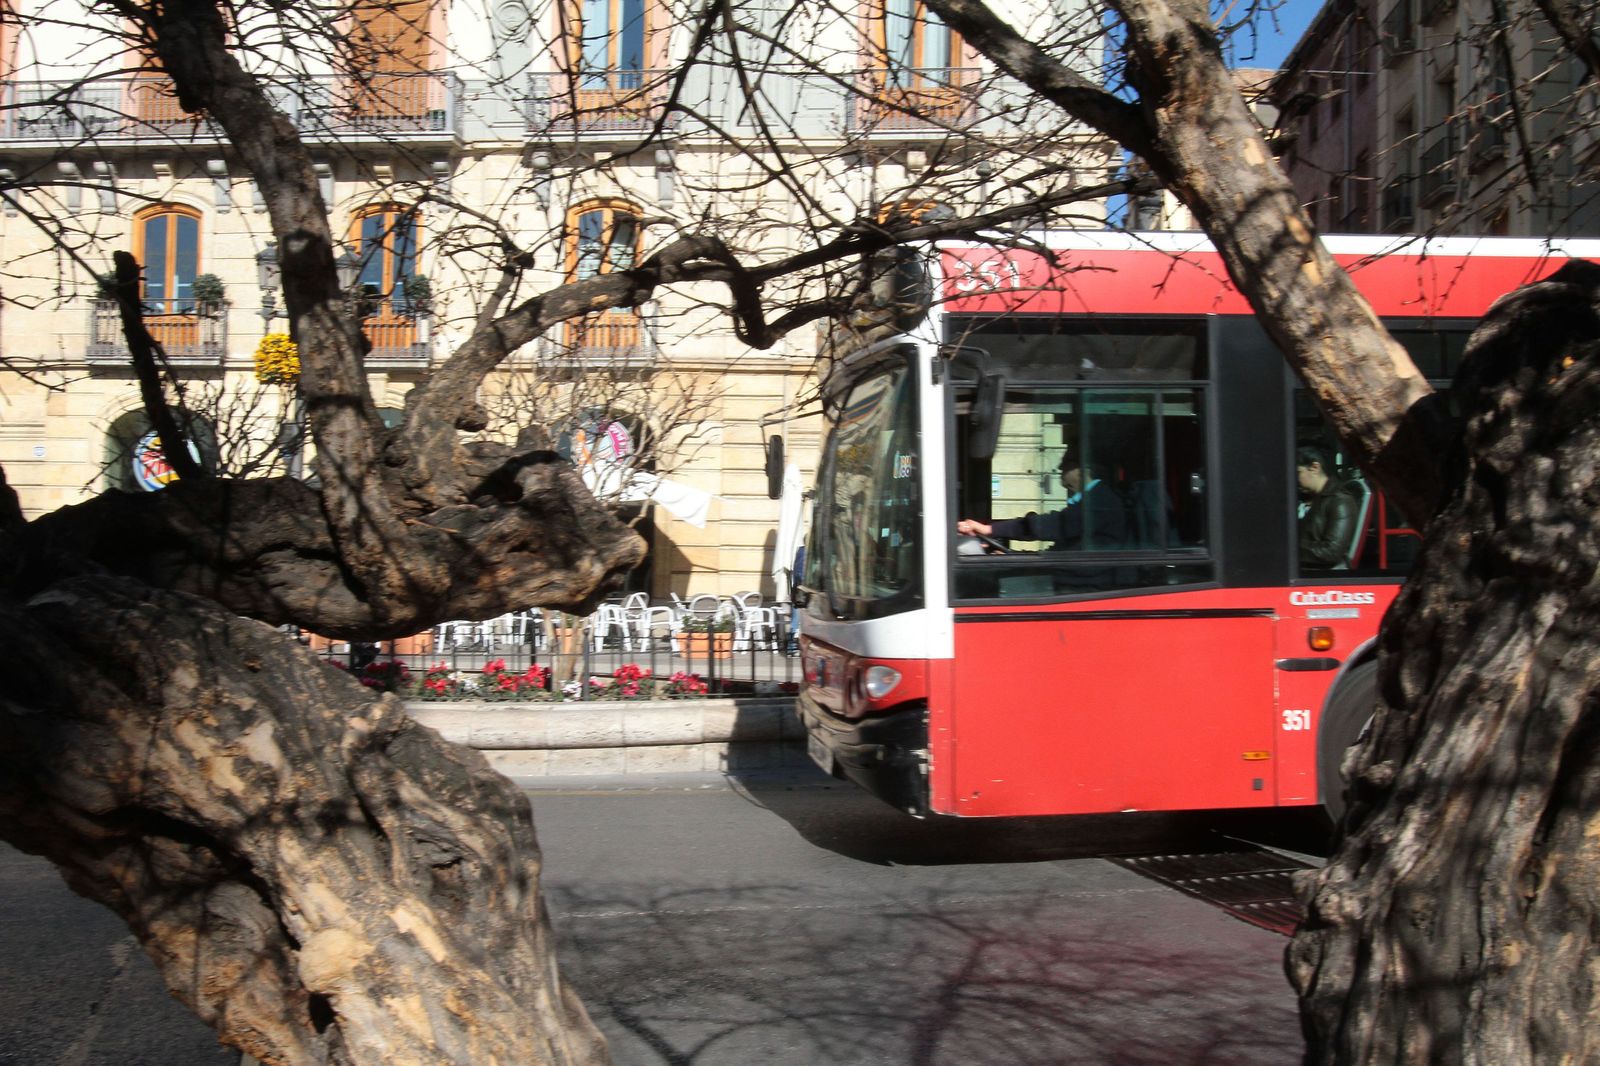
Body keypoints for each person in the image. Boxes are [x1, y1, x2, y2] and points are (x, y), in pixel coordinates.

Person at [957, 453, 1127, 550]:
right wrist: (1015, 557)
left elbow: (1054, 525)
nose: (1060, 469)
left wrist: (990, 529)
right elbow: (1059, 550)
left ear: (1083, 470)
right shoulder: (1094, 499)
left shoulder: (1102, 502)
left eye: (1066, 465)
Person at [1297, 445, 1363, 569]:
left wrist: (1290, 548)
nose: (1295, 479)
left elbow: (1331, 552)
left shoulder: (1340, 501)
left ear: (1315, 468)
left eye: (1298, 473)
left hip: (1321, 573)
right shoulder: (1315, 499)